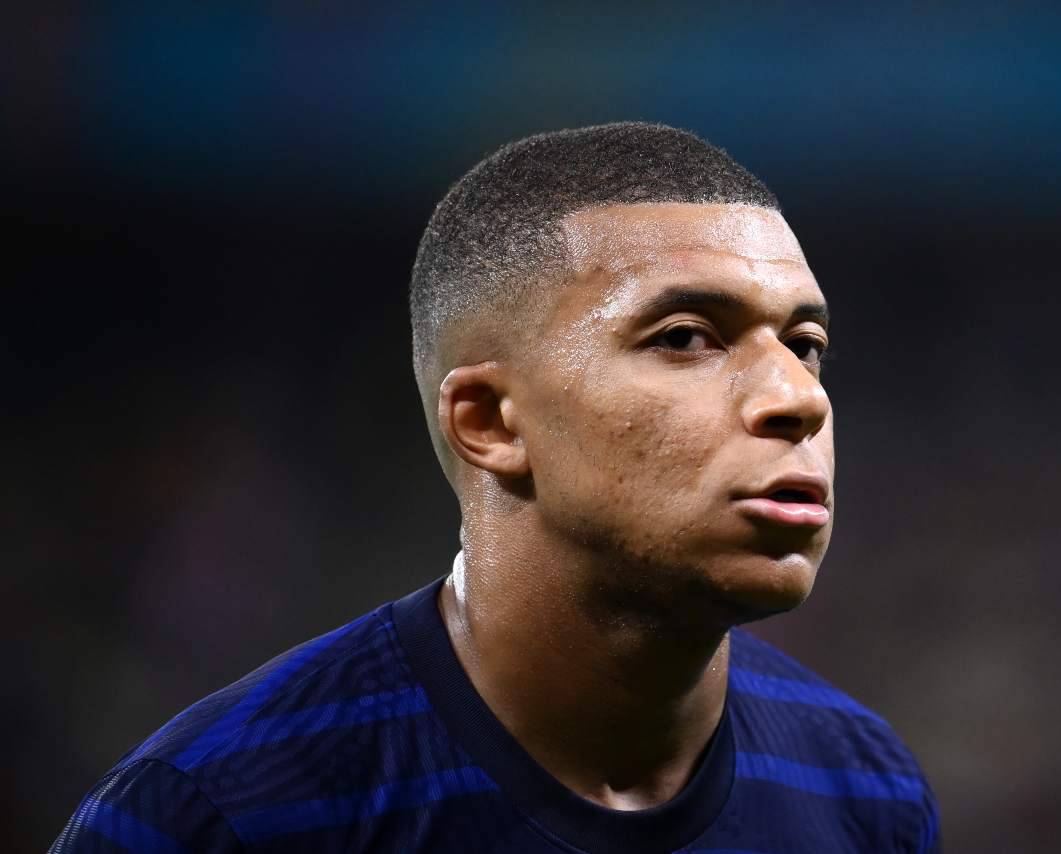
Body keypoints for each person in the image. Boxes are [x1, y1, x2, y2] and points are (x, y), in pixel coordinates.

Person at [53, 122, 940, 853]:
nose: (798, 398)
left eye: (805, 346)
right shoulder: (214, 817)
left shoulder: (866, 793)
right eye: (684, 336)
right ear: (490, 423)